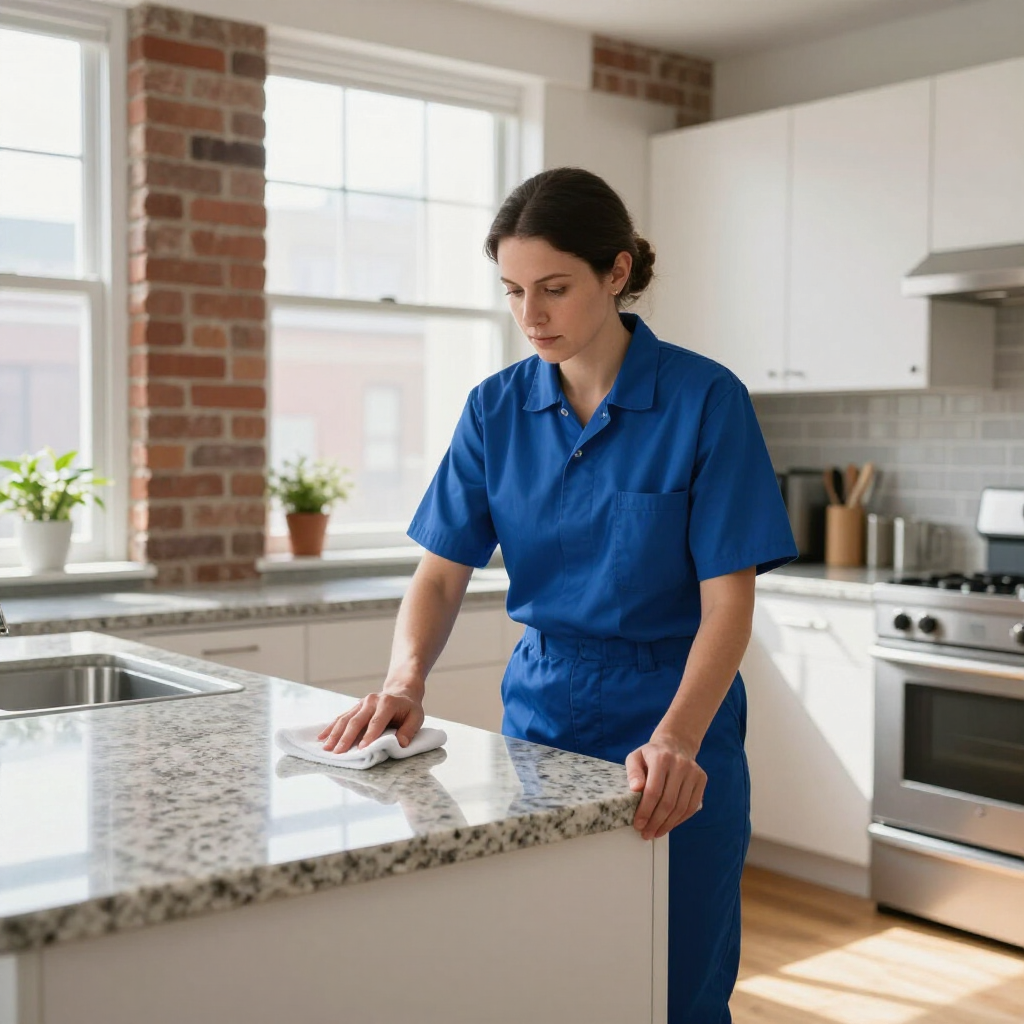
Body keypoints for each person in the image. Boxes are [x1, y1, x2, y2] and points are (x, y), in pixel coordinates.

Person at [319, 167, 797, 1022]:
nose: (530, 315)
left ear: (616, 273)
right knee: (552, 967)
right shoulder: (493, 410)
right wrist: (404, 680)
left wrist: (678, 740)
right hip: (543, 713)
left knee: (677, 979)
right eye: (511, 291)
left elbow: (729, 603)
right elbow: (439, 569)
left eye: (553, 288)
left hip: (676, 715)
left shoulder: (704, 400)